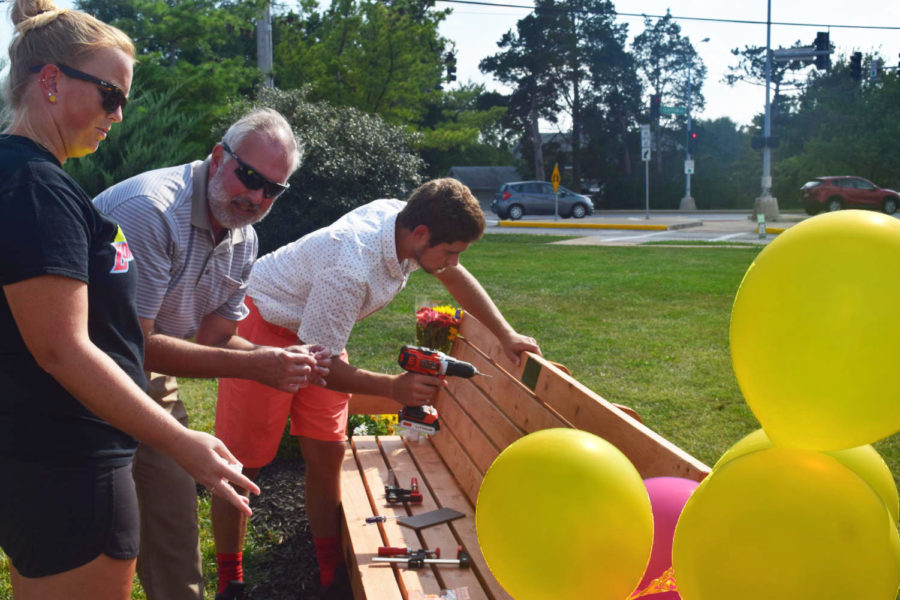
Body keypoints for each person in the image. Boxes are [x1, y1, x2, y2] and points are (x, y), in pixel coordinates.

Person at [0, 2, 259, 599]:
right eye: (111, 95)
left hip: (46, 460)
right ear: (51, 82)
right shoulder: (34, 186)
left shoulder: (28, 176)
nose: (118, 115)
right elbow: (62, 350)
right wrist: (178, 441)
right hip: (70, 464)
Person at [211, 177, 541, 595]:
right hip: (263, 323)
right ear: (420, 233)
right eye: (451, 251)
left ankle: (329, 567)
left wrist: (506, 333)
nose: (453, 261)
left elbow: (453, 277)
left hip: (317, 332)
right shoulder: (351, 265)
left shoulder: (403, 218)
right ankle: (230, 580)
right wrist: (393, 387)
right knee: (243, 465)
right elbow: (322, 368)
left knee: (327, 451)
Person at [93, 108, 328, 600]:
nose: (258, 197)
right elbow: (134, 346)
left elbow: (214, 340)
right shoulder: (151, 210)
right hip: (75, 380)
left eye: (273, 190)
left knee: (175, 518)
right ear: (219, 156)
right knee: (91, 537)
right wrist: (257, 364)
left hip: (144, 379)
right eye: (250, 177)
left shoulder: (244, 239)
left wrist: (279, 360)